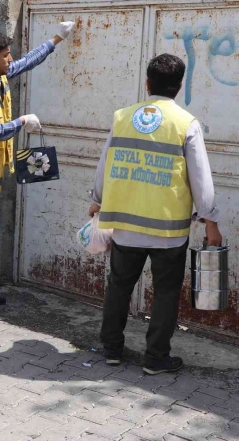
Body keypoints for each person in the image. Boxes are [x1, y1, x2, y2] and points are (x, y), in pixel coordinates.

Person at [88, 53, 223, 375]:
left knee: (119, 286)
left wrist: (97, 199)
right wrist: (211, 223)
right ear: (180, 86)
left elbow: (105, 162)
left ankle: (111, 349)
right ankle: (155, 358)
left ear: (147, 83)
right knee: (165, 292)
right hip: (167, 231)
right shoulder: (185, 123)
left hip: (125, 226)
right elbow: (201, 179)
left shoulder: (123, 117)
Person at [0, 22, 75, 325]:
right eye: (6, 56)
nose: (11, 59)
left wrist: (57, 37)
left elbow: (28, 61)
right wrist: (21, 122)